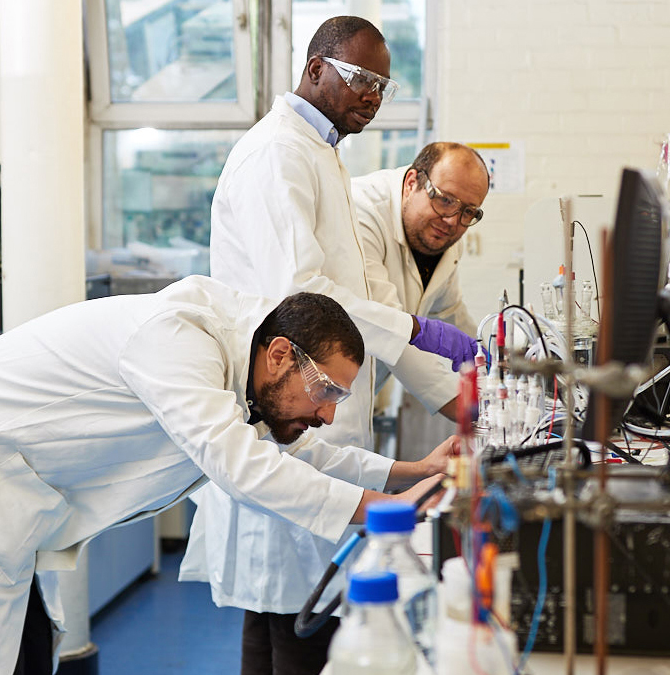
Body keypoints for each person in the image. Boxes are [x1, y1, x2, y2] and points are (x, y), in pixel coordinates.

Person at [0, 275, 451, 675]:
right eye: (326, 390)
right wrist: (377, 509)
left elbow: (297, 450)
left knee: (21, 658)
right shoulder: (179, 339)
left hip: (3, 509)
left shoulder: (250, 371)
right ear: (281, 353)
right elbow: (240, 464)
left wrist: (408, 472)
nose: (329, 411)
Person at [185, 16, 480, 675]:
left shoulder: (320, 152)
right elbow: (301, 290)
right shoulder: (279, 152)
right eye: (359, 79)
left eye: (383, 85)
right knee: (297, 619)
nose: (372, 96)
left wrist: (443, 362)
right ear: (315, 68)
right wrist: (414, 328)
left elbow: (348, 286)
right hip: (286, 406)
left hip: (315, 414)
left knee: (284, 616)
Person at [353, 141, 490, 418]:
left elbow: (448, 313)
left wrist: (493, 359)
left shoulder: (443, 234)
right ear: (412, 182)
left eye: (468, 212)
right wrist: (472, 411)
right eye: (445, 199)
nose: (452, 220)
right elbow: (388, 327)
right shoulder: (361, 212)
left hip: (361, 398)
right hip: (316, 392)